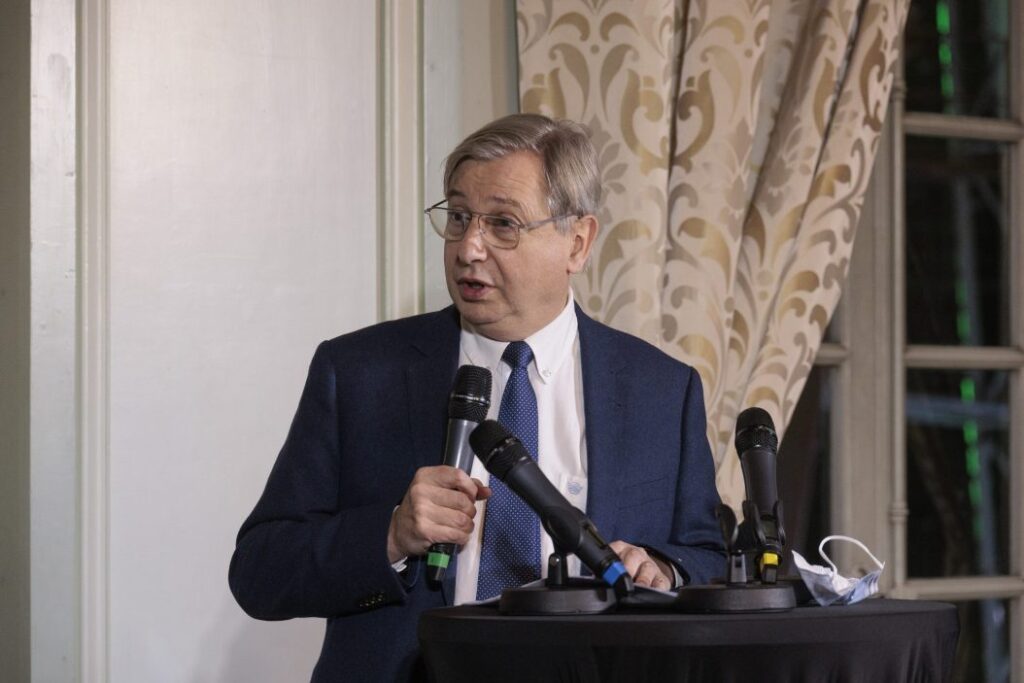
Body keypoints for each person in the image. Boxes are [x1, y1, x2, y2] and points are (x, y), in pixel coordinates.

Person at [229, 113, 724, 681]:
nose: (469, 248)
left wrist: (663, 566)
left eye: (503, 224)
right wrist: (390, 534)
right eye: (459, 217)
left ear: (578, 242)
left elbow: (707, 555)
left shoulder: (661, 389)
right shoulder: (359, 373)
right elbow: (260, 571)